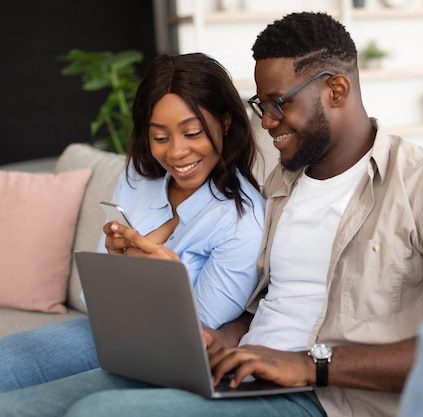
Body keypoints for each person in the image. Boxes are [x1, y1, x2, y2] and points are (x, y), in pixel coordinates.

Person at [0, 12, 423, 417]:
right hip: (237, 373)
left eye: (277, 104)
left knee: (99, 413)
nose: (266, 122)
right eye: (259, 104)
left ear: (335, 90)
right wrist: (219, 339)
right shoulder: (282, 184)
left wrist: (308, 365)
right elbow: (269, 302)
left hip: (320, 398)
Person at [0, 53, 265, 392]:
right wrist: (116, 262)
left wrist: (165, 281)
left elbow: (194, 339)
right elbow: (89, 295)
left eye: (192, 132)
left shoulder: (243, 221)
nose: (176, 153)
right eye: (160, 137)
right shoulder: (139, 177)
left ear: (226, 121)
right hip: (100, 328)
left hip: (160, 356)